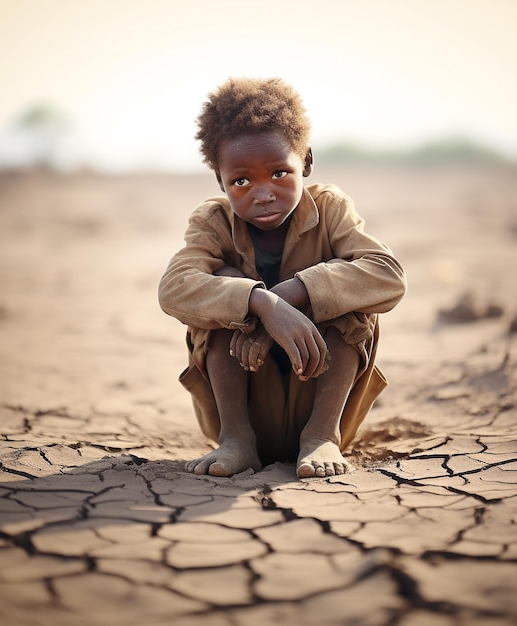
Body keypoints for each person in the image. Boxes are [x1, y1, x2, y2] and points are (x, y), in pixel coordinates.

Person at [158, 77, 406, 479]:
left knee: (353, 299)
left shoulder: (330, 207)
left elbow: (388, 276)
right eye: (241, 180)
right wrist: (260, 303)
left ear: (305, 162)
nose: (262, 192)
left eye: (279, 173)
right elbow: (174, 289)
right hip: (246, 408)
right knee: (219, 294)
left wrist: (294, 293)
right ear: (220, 180)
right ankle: (237, 439)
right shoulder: (214, 221)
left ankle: (321, 436)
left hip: (321, 399)